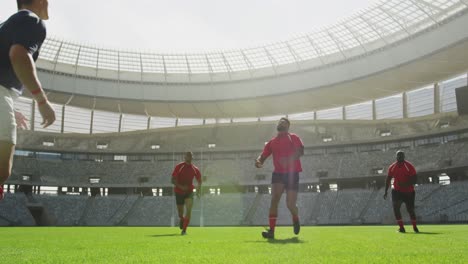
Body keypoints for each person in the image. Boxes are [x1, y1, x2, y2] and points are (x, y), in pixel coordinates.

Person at [0, 0, 56, 200]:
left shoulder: (8, 25)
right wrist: (41, 100)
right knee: (2, 170)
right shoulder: (33, 21)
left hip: (4, 93)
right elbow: (19, 55)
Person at [255, 117, 304, 239]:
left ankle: (295, 218)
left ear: (288, 126)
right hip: (279, 174)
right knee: (274, 199)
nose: (281, 123)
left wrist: (288, 160)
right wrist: (259, 161)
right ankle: (271, 231)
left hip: (292, 173)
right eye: (279, 122)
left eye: (284, 122)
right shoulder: (272, 142)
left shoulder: (293, 138)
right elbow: (263, 155)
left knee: (290, 204)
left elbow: (300, 151)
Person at [384, 150, 419, 233]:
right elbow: (388, 179)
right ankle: (401, 228)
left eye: (401, 155)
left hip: (408, 191)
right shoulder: (392, 167)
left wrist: (405, 184)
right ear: (396, 157)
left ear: (404, 157)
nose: (400, 157)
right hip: (397, 191)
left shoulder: (409, 166)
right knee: (396, 208)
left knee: (410, 210)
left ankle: (415, 227)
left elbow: (415, 179)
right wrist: (386, 191)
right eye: (398, 155)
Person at [171, 151, 202, 235]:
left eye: (190, 156)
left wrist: (198, 191)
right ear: (185, 157)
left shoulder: (195, 169)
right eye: (187, 156)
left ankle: (184, 230)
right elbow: (172, 180)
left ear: (192, 158)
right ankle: (182, 218)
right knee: (180, 213)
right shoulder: (179, 167)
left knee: (189, 209)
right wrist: (181, 187)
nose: (189, 157)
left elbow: (199, 181)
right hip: (179, 192)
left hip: (189, 191)